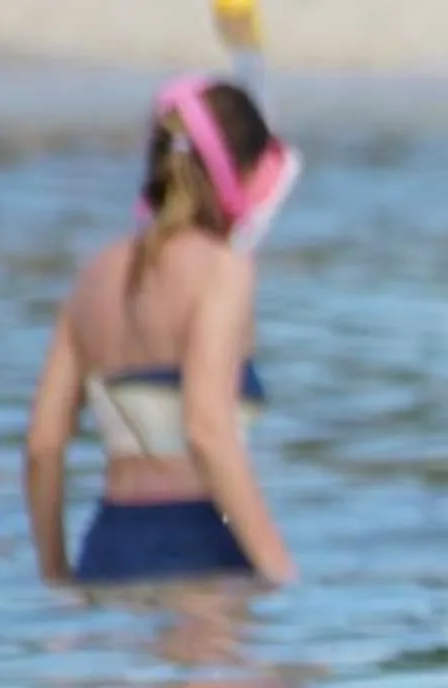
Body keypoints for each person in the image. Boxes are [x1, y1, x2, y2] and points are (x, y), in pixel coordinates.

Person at [24, 76, 299, 590]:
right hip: (202, 545)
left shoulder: (93, 276)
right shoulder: (223, 272)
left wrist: (56, 574)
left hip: (107, 550)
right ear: (240, 178)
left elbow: (43, 444)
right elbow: (208, 431)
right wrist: (280, 569)